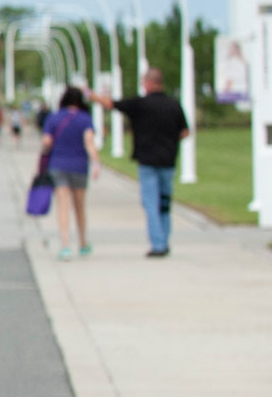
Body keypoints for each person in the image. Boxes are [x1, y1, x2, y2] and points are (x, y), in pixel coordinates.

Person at [97, 68, 191, 258]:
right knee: (164, 203)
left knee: (151, 203)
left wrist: (92, 96)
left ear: (148, 83)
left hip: (147, 160)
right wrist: (170, 140)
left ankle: (158, 244)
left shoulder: (140, 104)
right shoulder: (174, 104)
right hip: (168, 159)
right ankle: (164, 239)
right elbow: (185, 132)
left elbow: (110, 104)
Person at [41, 86, 99, 260]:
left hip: (58, 164)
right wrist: (95, 163)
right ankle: (82, 242)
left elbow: (46, 142)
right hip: (79, 165)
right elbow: (89, 142)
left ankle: (65, 245)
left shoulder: (54, 118)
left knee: (63, 205)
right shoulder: (85, 118)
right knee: (79, 205)